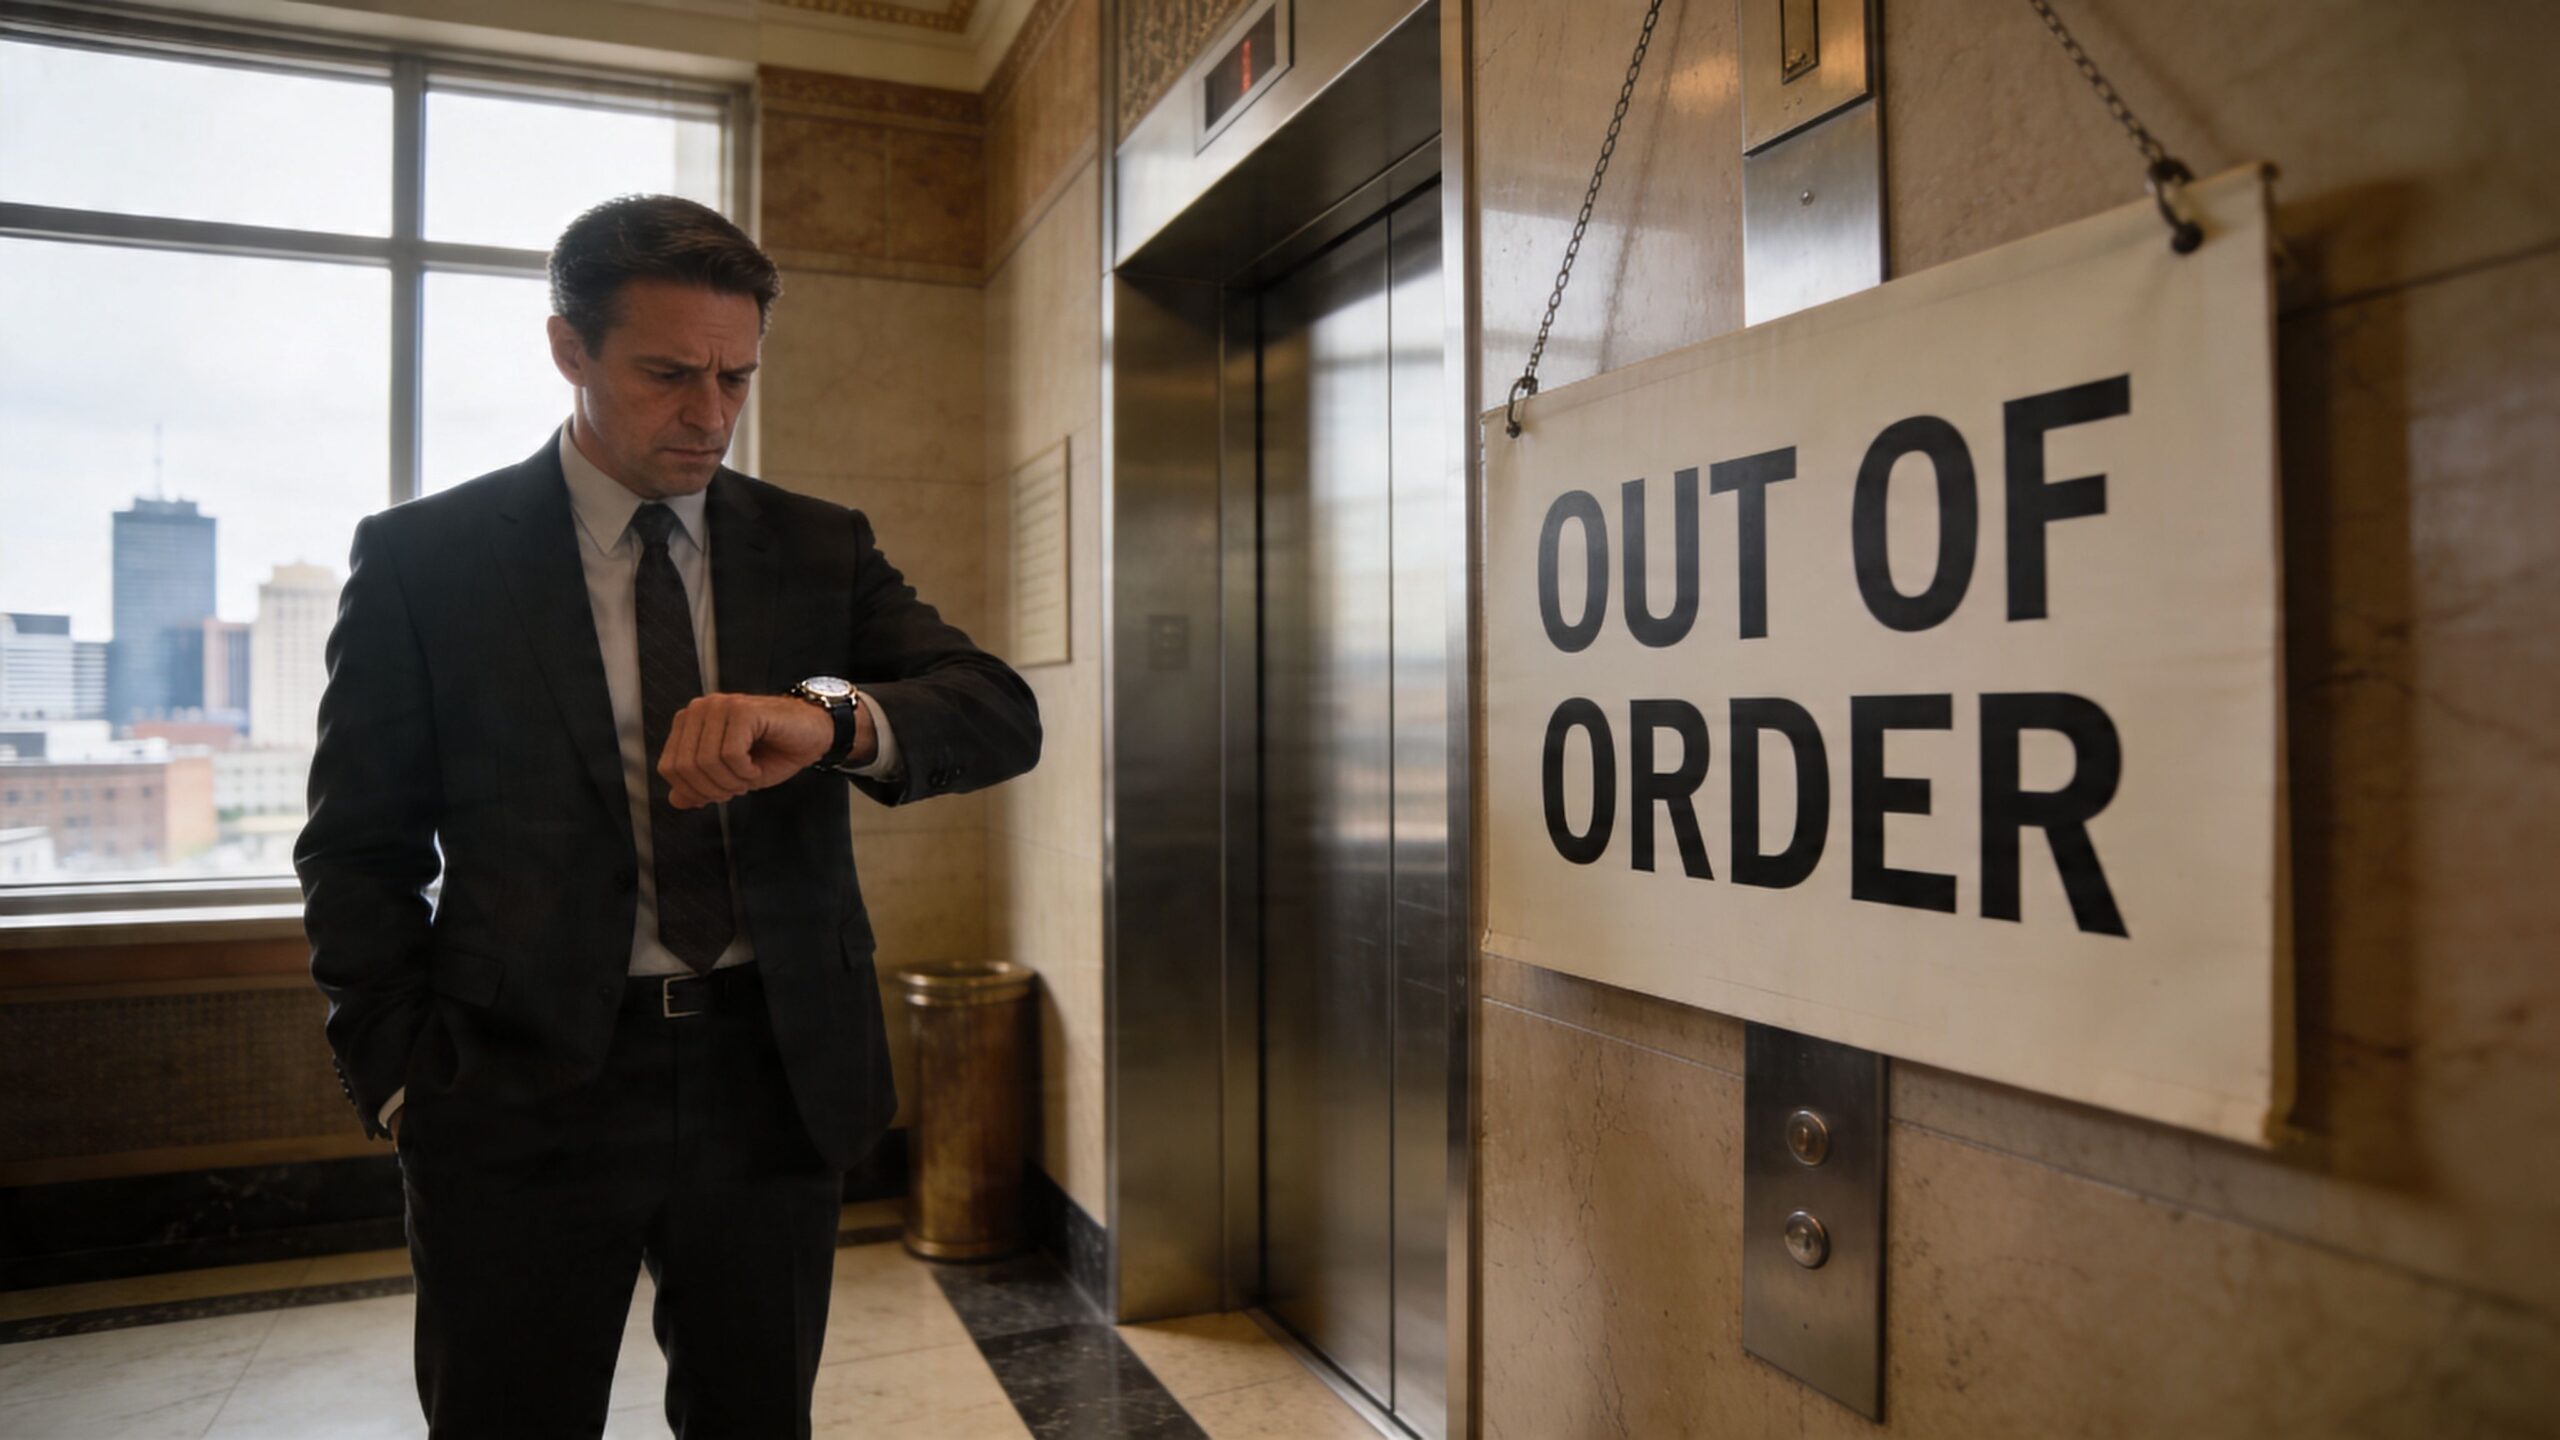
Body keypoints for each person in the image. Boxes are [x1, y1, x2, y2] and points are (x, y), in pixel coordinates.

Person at [295, 194, 1040, 1437]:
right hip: (514, 1085)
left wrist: (828, 717)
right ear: (568, 349)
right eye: (668, 375)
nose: (709, 415)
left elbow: (996, 711)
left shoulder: (814, 545)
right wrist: (404, 1082)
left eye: (737, 378)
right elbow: (357, 846)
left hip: (771, 1071)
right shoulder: (429, 561)